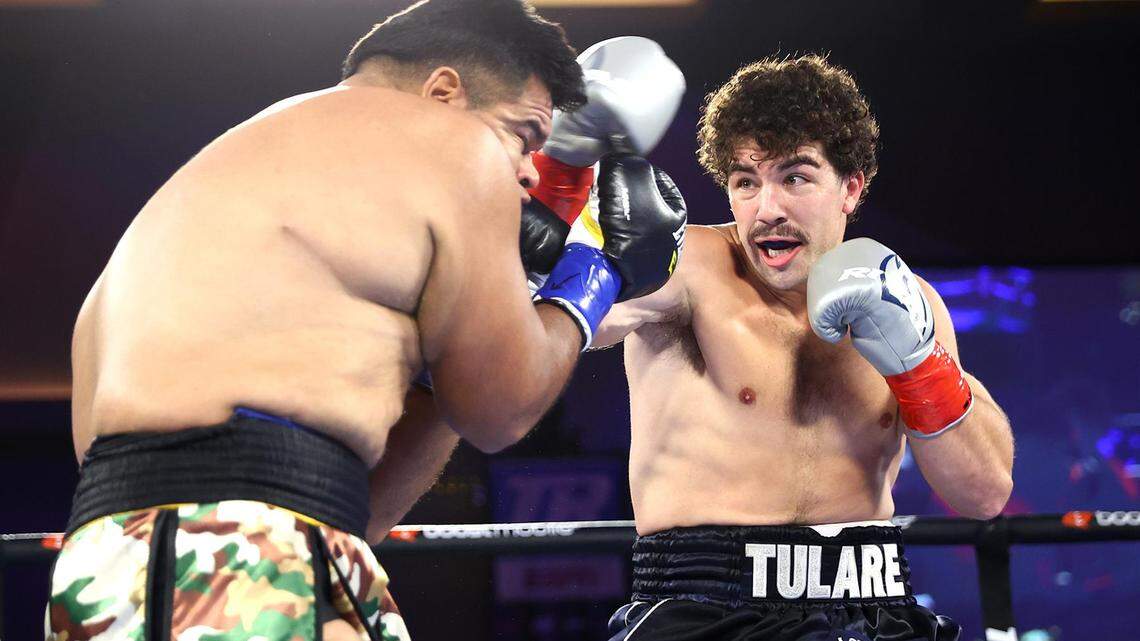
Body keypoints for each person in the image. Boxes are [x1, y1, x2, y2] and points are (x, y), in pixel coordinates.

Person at [48, 0, 686, 639]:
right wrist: (597, 272)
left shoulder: (252, 175)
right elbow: (501, 411)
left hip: (147, 559)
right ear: (443, 93)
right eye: (523, 135)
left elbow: (363, 512)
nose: (526, 171)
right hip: (232, 550)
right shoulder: (454, 143)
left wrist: (464, 333)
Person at [536, 54, 1014, 640]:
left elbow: (985, 494)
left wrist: (921, 366)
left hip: (875, 610)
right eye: (745, 182)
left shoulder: (907, 299)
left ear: (851, 188)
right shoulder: (686, 268)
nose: (767, 210)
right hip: (704, 612)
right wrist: (560, 180)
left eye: (795, 178)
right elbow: (549, 324)